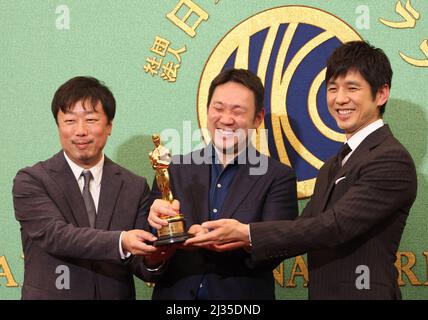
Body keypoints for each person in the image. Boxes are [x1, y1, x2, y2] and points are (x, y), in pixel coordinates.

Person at [186, 41, 418, 300]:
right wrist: (223, 237)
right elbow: (302, 227)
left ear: (381, 94)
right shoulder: (334, 164)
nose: (339, 99)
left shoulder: (390, 158)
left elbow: (334, 226)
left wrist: (247, 232)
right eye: (332, 89)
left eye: (352, 88)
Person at [146, 68, 298, 299]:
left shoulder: (278, 177)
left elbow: (277, 248)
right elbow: (147, 256)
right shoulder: (172, 170)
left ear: (258, 118)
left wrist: (241, 237)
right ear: (207, 111)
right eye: (218, 108)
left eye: (238, 111)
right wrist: (157, 231)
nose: (226, 119)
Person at [12, 76, 162, 299]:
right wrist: (122, 241)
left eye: (91, 120)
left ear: (109, 125)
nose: (80, 131)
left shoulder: (134, 185)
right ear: (58, 125)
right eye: (70, 121)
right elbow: (56, 235)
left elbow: (142, 264)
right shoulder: (31, 180)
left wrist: (158, 252)